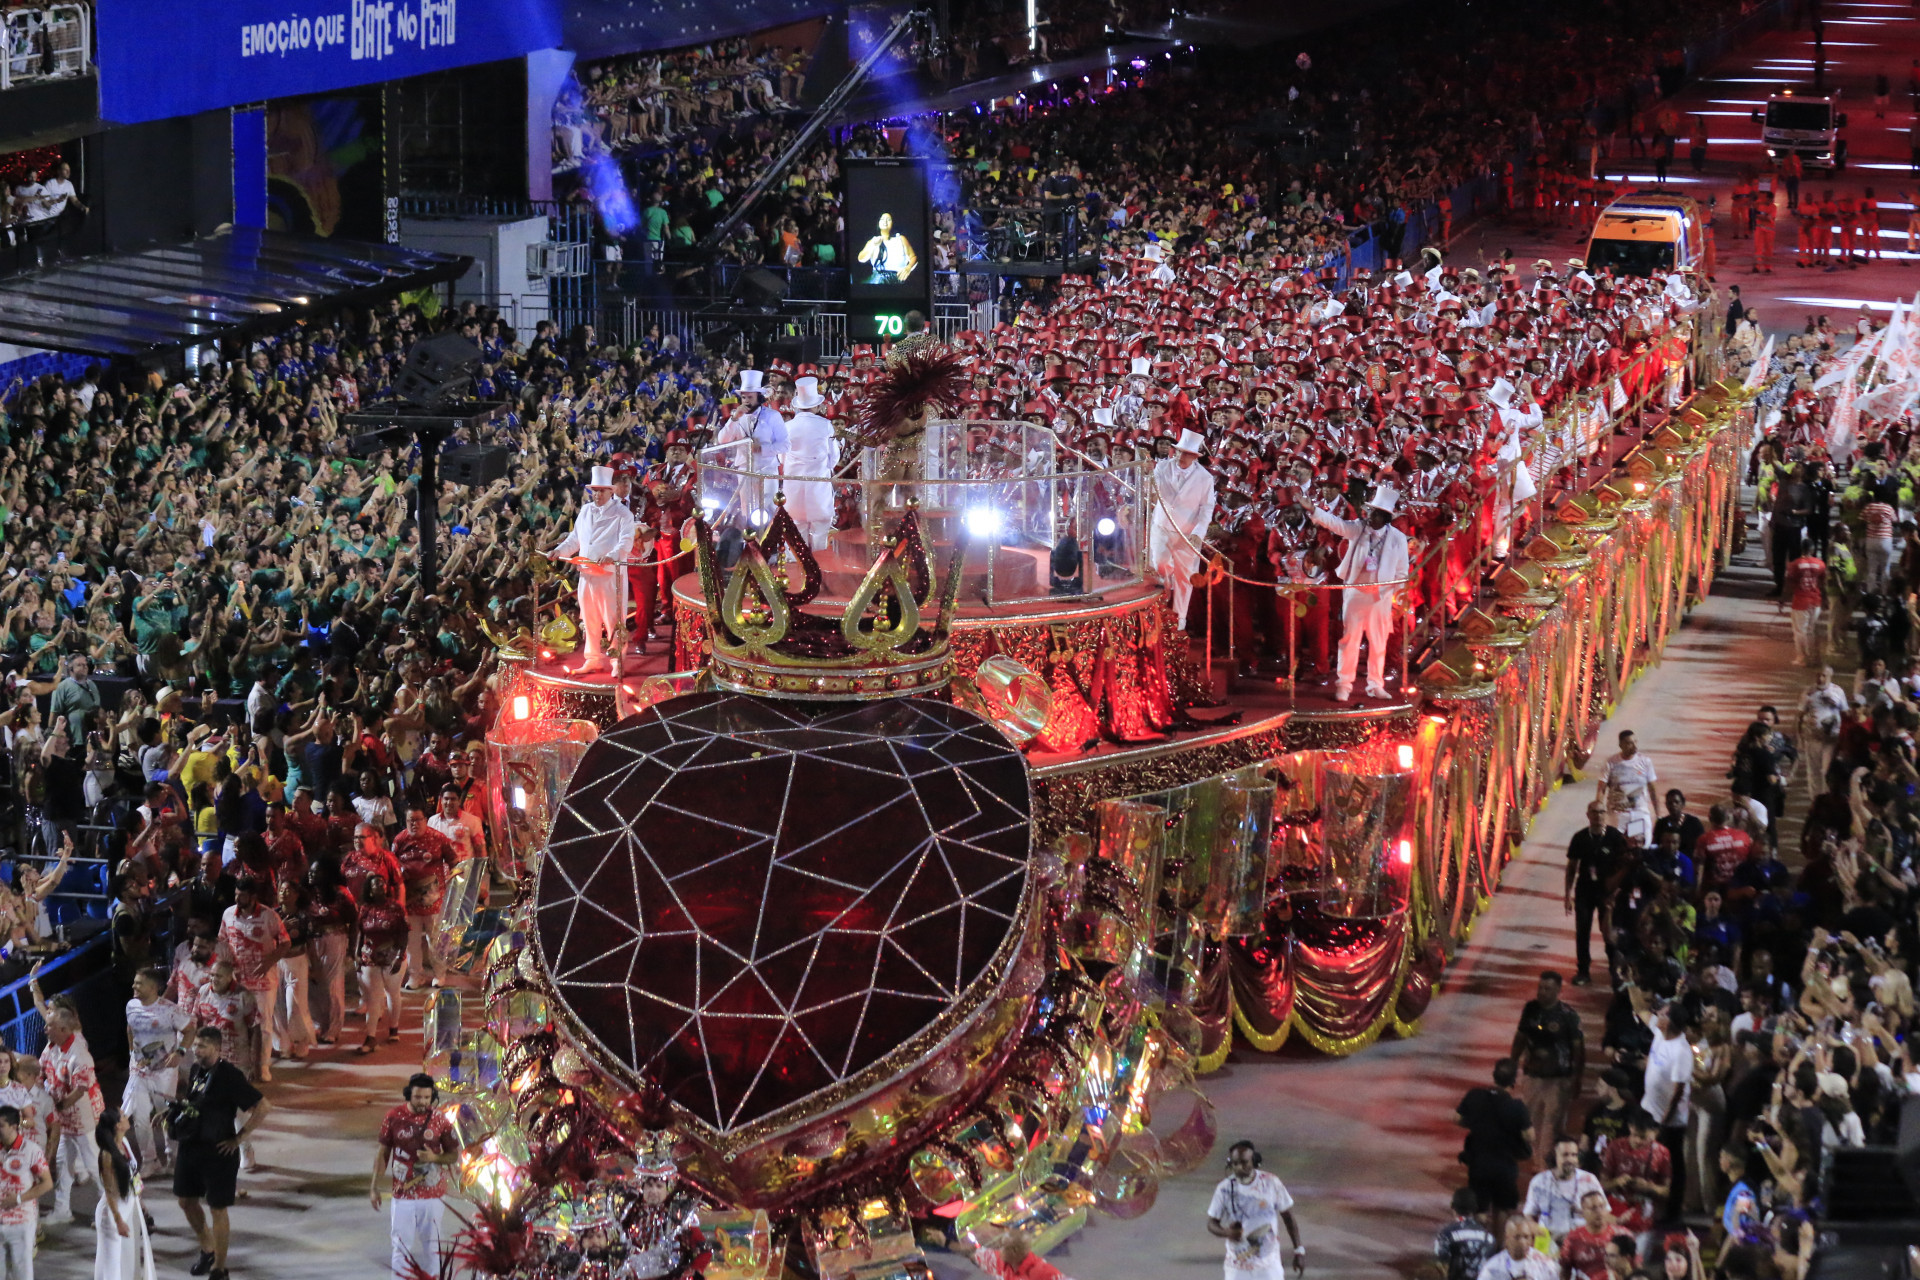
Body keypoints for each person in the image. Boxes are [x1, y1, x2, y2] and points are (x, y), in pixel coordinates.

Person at [173, 1027, 270, 1280]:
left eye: (203, 1046)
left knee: (217, 1209)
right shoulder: (196, 1070)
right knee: (185, 1200)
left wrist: (239, 1138)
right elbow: (195, 1102)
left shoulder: (230, 1076)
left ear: (217, 1049)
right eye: (196, 1046)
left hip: (218, 1152)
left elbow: (263, 1106)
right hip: (191, 1146)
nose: (197, 1050)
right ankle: (208, 1249)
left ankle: (220, 1268)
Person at [1309, 485, 1410, 703]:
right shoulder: (1358, 528)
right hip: (1355, 593)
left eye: (1374, 513)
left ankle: (1376, 685)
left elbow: (1402, 572)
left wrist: (1397, 601)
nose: (1369, 516)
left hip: (1381, 597)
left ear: (1385, 517)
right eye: (1370, 511)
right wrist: (1314, 510)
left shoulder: (1398, 538)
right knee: (1349, 639)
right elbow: (1337, 525)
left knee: (1378, 641)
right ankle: (1344, 685)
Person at [548, 464, 636, 676]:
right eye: (594, 490)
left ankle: (617, 662)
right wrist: (559, 551)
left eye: (601, 491)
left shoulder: (623, 513)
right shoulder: (586, 511)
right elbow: (575, 539)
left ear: (611, 491)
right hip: (587, 574)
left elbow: (626, 543)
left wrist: (612, 556)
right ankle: (593, 658)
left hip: (609, 576)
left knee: (614, 620)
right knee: (589, 619)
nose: (597, 494)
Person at [29, 980, 102, 1226]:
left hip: (82, 1119)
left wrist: (57, 1106)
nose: (44, 1029)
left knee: (94, 1166)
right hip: (65, 1119)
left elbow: (80, 1089)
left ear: (62, 1028)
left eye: (49, 1026)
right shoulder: (52, 1048)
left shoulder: (78, 1054)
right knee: (63, 1164)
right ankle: (62, 1209)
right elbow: (41, 1074)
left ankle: (110, 1211)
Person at [372, 1074, 459, 1279]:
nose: (423, 1102)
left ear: (432, 1097)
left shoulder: (440, 1119)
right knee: (400, 1247)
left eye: (427, 1098)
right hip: (403, 1195)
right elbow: (383, 1153)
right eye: (418, 1097)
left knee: (433, 1247)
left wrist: (434, 1157)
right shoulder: (393, 1117)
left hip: (433, 1195)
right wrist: (374, 1186)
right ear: (408, 1094)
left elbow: (453, 1154)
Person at [1513, 973, 1585, 1169]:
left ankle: (1546, 1166)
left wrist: (1577, 1077)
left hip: (1558, 1078)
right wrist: (1512, 1063)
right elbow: (1520, 1037)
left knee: (1551, 1125)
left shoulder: (1568, 1016)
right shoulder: (1531, 1009)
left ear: (1559, 991)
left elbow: (1578, 1049)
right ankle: (1540, 1161)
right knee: (1533, 1122)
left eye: (1547, 989)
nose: (1542, 992)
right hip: (1533, 1076)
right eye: (1540, 988)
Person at [1151, 427, 1218, 633]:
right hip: (1162, 526)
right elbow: (1153, 490)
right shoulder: (1162, 467)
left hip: (1187, 534)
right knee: (1160, 566)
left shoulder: (1205, 478)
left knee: (1185, 576)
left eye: (1186, 453)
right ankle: (1160, 609)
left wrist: (1198, 534)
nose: (1181, 456)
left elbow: (1206, 509)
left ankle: (1180, 618)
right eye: (1179, 451)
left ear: (1195, 456)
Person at [1206, 1141, 1304, 1279]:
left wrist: (1299, 1250)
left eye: (1244, 1162)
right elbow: (1211, 1223)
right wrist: (1226, 1232)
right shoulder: (1224, 1189)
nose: (1239, 1167)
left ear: (1254, 1161)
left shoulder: (1271, 1182)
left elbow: (1288, 1217)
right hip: (1236, 1268)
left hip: (1269, 1267)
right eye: (1235, 1163)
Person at [124, 967, 187, 1175]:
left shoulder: (170, 1010)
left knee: (166, 1114)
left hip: (164, 1072)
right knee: (140, 1117)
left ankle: (174, 1157)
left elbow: (190, 1030)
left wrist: (180, 1051)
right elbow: (130, 1028)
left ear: (153, 987)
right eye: (134, 982)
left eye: (139, 983)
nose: (134, 986)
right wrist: (132, 1053)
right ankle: (150, 1161)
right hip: (140, 1071)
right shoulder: (131, 1006)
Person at [1456, 1058, 1533, 1214]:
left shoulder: (1475, 1095)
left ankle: (1480, 1237)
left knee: (1479, 1210)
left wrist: (1476, 1124)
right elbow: (1529, 1136)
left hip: (1478, 1163)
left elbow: (1457, 1118)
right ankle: (1499, 1238)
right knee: (1503, 1210)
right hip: (1505, 1166)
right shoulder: (1517, 1107)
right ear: (1514, 1081)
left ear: (1493, 1075)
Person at [1641, 1004, 1693, 1222]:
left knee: (1671, 1166)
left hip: (1669, 1121)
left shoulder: (1681, 1051)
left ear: (1669, 1022)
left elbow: (1678, 1091)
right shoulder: (1660, 1035)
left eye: (1661, 1014)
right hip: (1649, 1111)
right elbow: (1640, 1010)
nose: (1656, 1016)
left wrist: (1664, 1122)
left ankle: (1672, 1211)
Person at [1566, 805, 1627, 986]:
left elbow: (1624, 866)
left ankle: (1613, 968)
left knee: (1608, 931)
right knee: (1582, 930)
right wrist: (1567, 894)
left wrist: (1616, 893)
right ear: (1588, 815)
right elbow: (1572, 867)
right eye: (1594, 812)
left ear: (1606, 814)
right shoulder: (1580, 838)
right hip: (1584, 890)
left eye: (1601, 812)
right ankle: (1583, 970)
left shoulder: (1615, 837)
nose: (1598, 816)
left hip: (1607, 891)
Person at [94, 1106, 155, 1280]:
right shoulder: (107, 1155)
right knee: (112, 1265)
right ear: (117, 1126)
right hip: (113, 1214)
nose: (126, 1116)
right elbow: (109, 1191)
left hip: (129, 1206)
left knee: (129, 1257)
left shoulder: (124, 1144)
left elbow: (132, 1177)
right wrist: (118, 1219)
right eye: (122, 1116)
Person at [780, 376, 839, 550]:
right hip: (818, 484)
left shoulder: (788, 426)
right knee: (820, 527)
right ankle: (818, 566)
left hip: (793, 485)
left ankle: (795, 566)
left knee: (795, 528)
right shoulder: (826, 425)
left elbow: (781, 458)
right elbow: (833, 457)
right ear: (816, 405)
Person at [0, 1104, 50, 1280]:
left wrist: (19, 1199)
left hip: (21, 1223)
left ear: (14, 1127)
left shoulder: (31, 1150)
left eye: (1, 1126)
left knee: (22, 1274)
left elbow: (47, 1183)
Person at [1521, 1138, 1604, 1243]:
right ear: (1555, 1156)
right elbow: (1528, 1215)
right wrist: (1541, 1233)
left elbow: (1603, 1212)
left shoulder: (1589, 1180)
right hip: (1547, 1239)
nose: (1570, 1159)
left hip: (1581, 1240)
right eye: (1565, 1155)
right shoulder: (1539, 1181)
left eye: (1574, 1155)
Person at [1595, 730, 1657, 845]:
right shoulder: (1611, 763)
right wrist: (1599, 812)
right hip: (1618, 815)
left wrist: (1657, 814)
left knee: (1640, 846)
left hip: (1639, 813)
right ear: (1621, 745)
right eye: (1629, 743)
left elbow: (1652, 789)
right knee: (1617, 847)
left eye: (1635, 742)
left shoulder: (1645, 762)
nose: (1634, 745)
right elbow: (1601, 789)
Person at [1433, 1187, 1499, 1280]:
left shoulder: (1446, 1235)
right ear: (1475, 1209)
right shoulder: (1489, 1238)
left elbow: (1442, 1268)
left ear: (1453, 1208)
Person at [1560, 1189, 1620, 1280]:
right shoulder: (1572, 1239)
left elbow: (1635, 1268)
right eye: (1593, 1208)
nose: (1599, 1212)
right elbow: (1565, 1272)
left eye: (1602, 1207)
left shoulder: (1621, 1235)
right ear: (1583, 1212)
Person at [1474, 1215, 1556, 1280]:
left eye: (1526, 1237)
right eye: (1517, 1237)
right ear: (1507, 1239)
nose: (1522, 1242)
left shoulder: (1545, 1264)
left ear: (1531, 1239)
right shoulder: (1492, 1268)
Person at [1784, 546, 1825, 666]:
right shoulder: (1820, 564)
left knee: (1799, 631)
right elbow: (1823, 581)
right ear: (1812, 550)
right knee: (1810, 630)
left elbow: (1789, 582)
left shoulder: (1795, 564)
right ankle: (1812, 656)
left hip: (1801, 601)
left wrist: (1783, 599)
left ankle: (1802, 658)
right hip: (1816, 601)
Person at [856, 211, 919, 283]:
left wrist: (908, 267)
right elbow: (861, 258)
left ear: (893, 223)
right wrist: (873, 245)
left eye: (888, 219)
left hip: (899, 278)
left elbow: (913, 257)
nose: (885, 221)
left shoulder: (901, 239)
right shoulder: (873, 241)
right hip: (879, 279)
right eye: (882, 219)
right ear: (878, 223)